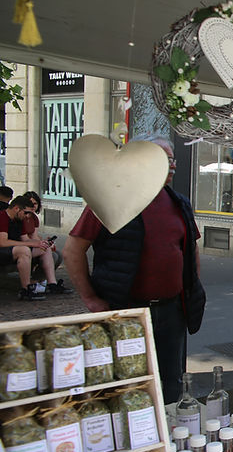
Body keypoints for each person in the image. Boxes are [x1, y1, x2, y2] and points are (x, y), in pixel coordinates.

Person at [63, 138, 205, 402]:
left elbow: (191, 250)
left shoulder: (178, 202)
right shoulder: (110, 197)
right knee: (128, 381)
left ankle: (170, 432)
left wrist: (192, 287)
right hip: (128, 310)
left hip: (172, 310)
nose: (172, 166)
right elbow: (72, 250)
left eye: (173, 159)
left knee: (171, 380)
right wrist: (91, 298)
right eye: (164, 159)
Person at [0, 195, 64, 300]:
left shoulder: (19, 219)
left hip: (14, 250)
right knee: (24, 250)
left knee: (44, 248)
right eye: (26, 212)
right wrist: (31, 244)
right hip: (4, 250)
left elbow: (25, 239)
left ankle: (52, 284)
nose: (27, 216)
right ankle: (26, 289)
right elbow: (3, 242)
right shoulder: (2, 217)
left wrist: (40, 243)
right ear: (16, 208)